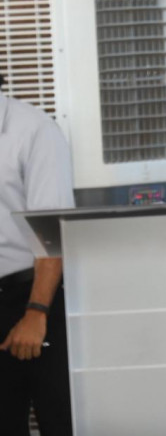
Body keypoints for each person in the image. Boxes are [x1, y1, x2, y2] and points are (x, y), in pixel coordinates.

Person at [0, 75, 75, 436]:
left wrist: (36, 313)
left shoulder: (34, 130)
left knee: (57, 418)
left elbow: (53, 233)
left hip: (31, 298)